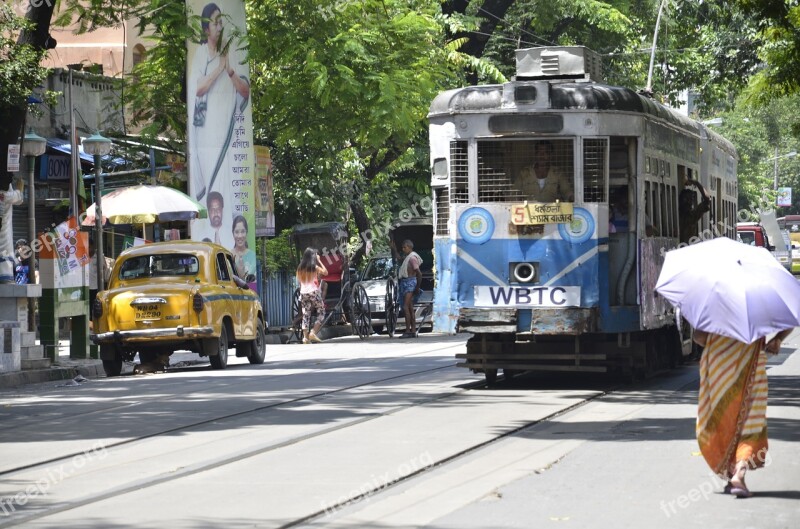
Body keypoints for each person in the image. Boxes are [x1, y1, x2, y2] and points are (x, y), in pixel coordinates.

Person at [693, 327, 793, 498]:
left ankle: (733, 475)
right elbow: (790, 318)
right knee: (751, 420)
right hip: (751, 363)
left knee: (724, 419)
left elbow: (699, 337)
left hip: (719, 364)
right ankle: (738, 472)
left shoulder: (715, 301)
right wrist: (777, 339)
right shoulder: (761, 300)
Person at [188, 2, 251, 202]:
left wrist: (229, 70)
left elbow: (245, 91)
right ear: (206, 29)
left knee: (227, 192)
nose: (220, 27)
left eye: (221, 22)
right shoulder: (201, 54)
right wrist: (219, 68)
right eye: (216, 23)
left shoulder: (228, 53)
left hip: (227, 138)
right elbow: (198, 89)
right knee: (212, 191)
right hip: (206, 139)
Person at [391, 238, 422, 338]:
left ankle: (408, 331)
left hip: (410, 283)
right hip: (406, 282)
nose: (403, 249)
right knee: (410, 307)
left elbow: (419, 273)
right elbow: (400, 259)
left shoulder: (412, 258)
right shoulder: (407, 257)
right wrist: (394, 249)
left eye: (404, 247)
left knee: (405, 307)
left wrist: (417, 287)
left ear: (409, 247)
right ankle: (413, 330)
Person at [296, 248, 328, 344]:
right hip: (313, 292)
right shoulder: (314, 267)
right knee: (321, 312)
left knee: (306, 314)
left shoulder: (299, 268)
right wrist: (319, 260)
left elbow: (299, 281)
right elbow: (326, 272)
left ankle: (305, 338)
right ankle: (313, 332)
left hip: (303, 292)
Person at [679, 178, 711, 244]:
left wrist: (696, 183)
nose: (689, 202)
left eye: (691, 200)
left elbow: (707, 200)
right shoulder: (690, 217)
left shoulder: (691, 215)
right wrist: (696, 183)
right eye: (686, 199)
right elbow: (707, 200)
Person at [231, 215, 256, 281]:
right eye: (236, 232)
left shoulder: (253, 256)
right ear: (233, 233)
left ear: (246, 232)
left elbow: (254, 281)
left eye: (242, 231)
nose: (240, 236)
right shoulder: (228, 256)